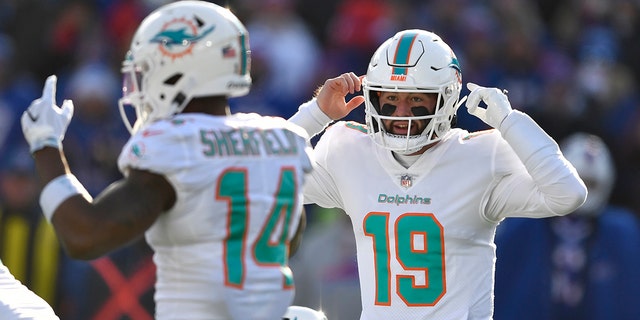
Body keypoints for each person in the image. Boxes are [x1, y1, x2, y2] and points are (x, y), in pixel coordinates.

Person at [20, 1, 312, 319]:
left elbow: (85, 236)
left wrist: (45, 145)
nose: (140, 86)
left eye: (147, 71)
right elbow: (287, 240)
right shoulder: (283, 139)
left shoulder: (176, 145)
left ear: (181, 70)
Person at [288, 29, 587, 319]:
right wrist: (317, 113)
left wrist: (510, 122)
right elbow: (271, 182)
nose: (401, 113)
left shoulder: (480, 156)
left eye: (416, 100)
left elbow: (567, 194)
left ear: (445, 100)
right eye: (391, 100)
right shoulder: (349, 150)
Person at [493, 132, 640, 320]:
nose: (582, 192)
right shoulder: (521, 223)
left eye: (590, 184)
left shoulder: (621, 232)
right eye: (578, 180)